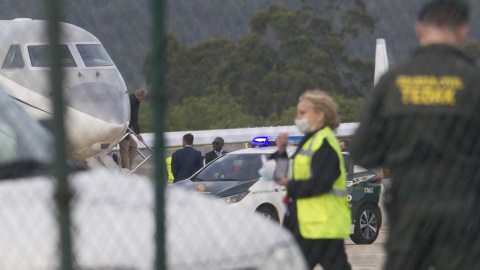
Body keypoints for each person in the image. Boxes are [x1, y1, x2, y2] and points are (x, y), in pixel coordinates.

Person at [350, 1, 480, 269]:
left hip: (409, 207)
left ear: (420, 29)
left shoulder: (393, 81)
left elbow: (362, 150)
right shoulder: (473, 81)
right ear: (463, 31)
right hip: (462, 211)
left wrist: (400, 151)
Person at [272, 90, 351, 270]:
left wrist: (289, 185)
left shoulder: (324, 143)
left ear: (320, 115)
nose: (297, 117)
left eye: (302, 113)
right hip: (309, 224)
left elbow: (321, 183)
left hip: (320, 227)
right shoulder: (310, 140)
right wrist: (282, 152)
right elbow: (295, 173)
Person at [119, 88, 146, 170]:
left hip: (125, 129)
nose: (141, 101)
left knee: (133, 146)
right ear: (139, 96)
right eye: (142, 99)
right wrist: (138, 133)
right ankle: (126, 170)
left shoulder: (128, 98)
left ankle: (128, 167)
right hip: (123, 130)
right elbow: (134, 117)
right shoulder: (135, 101)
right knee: (124, 150)